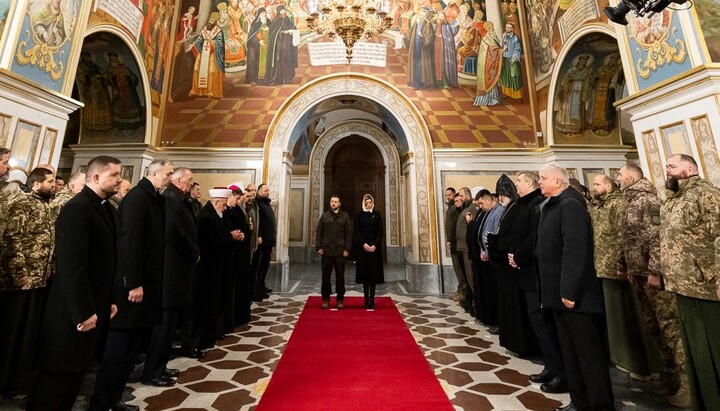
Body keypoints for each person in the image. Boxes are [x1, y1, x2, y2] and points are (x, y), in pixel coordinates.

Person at [27, 156, 122, 411]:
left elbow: (107, 261)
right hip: (71, 313)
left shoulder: (107, 208)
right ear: (96, 177)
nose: (120, 179)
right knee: (57, 382)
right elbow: (71, 267)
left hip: (95, 306)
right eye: (114, 174)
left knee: (75, 378)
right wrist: (82, 310)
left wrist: (109, 301)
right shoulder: (77, 208)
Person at [91, 159, 173, 411]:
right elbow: (129, 243)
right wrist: (132, 283)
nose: (170, 177)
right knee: (119, 348)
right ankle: (102, 402)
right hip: (132, 289)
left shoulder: (151, 197)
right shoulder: (138, 198)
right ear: (156, 173)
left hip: (144, 286)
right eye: (169, 173)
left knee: (129, 349)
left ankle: (113, 399)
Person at [535, 162, 614, 411]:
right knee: (571, 352)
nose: (540, 181)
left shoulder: (570, 205)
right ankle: (580, 402)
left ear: (557, 182)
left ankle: (599, 404)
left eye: (543, 178)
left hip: (574, 295)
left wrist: (568, 290)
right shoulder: (555, 205)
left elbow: (575, 251)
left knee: (587, 354)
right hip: (558, 293)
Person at [616, 163, 689, 407]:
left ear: (631, 177)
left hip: (653, 275)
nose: (617, 178)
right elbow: (627, 238)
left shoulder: (648, 201)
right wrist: (625, 265)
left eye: (620, 175)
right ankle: (669, 378)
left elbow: (657, 236)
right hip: (638, 274)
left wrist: (655, 270)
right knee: (654, 327)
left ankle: (686, 383)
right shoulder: (629, 201)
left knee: (669, 328)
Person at [660, 154, 720, 410]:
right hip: (681, 284)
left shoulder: (706, 194)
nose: (668, 170)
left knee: (713, 346)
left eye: (673, 166)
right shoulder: (673, 199)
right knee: (696, 349)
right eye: (667, 167)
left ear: (691, 168)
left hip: (704, 285)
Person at [504, 171, 566, 392]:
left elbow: (535, 237)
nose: (516, 185)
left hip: (536, 271)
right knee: (538, 320)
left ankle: (559, 370)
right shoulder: (527, 204)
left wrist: (518, 255)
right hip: (526, 270)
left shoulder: (538, 204)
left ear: (527, 183)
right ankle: (551, 365)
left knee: (543, 321)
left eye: (519, 181)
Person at [0, 167, 55, 397]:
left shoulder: (45, 205)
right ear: (35, 183)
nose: (53, 185)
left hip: (38, 279)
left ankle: (18, 380)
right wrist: (19, 273)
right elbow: (12, 239)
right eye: (50, 181)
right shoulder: (22, 204)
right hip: (20, 281)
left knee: (27, 334)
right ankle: (5, 381)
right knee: (11, 334)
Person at [142, 167, 198, 387]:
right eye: (189, 180)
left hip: (178, 268)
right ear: (179, 180)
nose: (191, 185)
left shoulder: (176, 197)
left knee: (170, 321)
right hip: (171, 269)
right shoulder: (171, 197)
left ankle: (160, 366)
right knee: (164, 323)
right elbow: (175, 230)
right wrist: (193, 252)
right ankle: (153, 371)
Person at [589, 174, 647, 380]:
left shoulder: (617, 204)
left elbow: (624, 235)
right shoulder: (599, 205)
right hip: (601, 266)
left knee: (624, 315)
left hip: (615, 267)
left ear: (608, 185)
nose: (594, 187)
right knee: (612, 316)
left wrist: (622, 264)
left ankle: (631, 361)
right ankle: (617, 356)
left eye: (597, 184)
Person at [316, 194, 353, 309]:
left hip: (340, 251)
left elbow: (349, 234)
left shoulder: (345, 216)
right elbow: (319, 233)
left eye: (336, 202)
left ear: (340, 203)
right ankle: (325, 299)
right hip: (326, 251)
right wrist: (319, 247)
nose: (333, 203)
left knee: (340, 276)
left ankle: (340, 299)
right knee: (325, 276)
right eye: (332, 201)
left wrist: (347, 249)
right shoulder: (324, 216)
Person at [354, 194, 384, 310]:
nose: (368, 204)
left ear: (373, 203)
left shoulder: (377, 215)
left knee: (373, 276)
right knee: (365, 276)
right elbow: (357, 232)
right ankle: (366, 300)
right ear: (363, 203)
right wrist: (364, 244)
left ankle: (372, 299)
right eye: (366, 202)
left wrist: (375, 245)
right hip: (363, 250)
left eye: (370, 202)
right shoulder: (359, 215)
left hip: (374, 250)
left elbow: (380, 232)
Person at [190, 12, 225, 98]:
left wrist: (211, 41)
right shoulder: (205, 29)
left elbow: (220, 45)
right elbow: (199, 40)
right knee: (196, 68)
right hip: (203, 52)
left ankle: (211, 91)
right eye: (210, 20)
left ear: (216, 22)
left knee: (211, 71)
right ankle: (196, 90)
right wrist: (196, 43)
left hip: (213, 53)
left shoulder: (218, 31)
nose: (211, 22)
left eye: (213, 21)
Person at [555, 54, 593, 135]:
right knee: (567, 109)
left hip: (580, 94)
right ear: (578, 62)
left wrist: (590, 77)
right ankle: (566, 128)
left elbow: (588, 83)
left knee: (578, 110)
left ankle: (576, 128)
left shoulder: (586, 72)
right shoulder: (572, 71)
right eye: (582, 61)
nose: (583, 63)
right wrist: (567, 89)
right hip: (570, 93)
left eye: (585, 62)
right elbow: (564, 82)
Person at [105, 52, 143, 131]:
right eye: (111, 61)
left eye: (114, 60)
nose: (113, 62)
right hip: (118, 91)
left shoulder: (123, 68)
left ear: (118, 60)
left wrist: (130, 83)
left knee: (131, 106)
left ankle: (134, 124)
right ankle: (121, 125)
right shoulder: (109, 70)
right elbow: (107, 80)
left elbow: (133, 77)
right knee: (119, 107)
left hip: (128, 91)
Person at [251, 183, 276, 301]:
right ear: (259, 191)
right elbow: (257, 221)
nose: (268, 192)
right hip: (261, 241)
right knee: (258, 265)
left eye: (268, 190)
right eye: (265, 190)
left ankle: (262, 285)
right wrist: (259, 235)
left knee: (264, 265)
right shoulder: (257, 204)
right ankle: (256, 289)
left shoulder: (267, 203)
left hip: (269, 240)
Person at [264, 5, 297, 86]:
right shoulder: (276, 20)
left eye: (284, 10)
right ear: (279, 11)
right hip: (279, 44)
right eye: (281, 11)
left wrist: (294, 30)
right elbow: (274, 32)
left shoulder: (287, 18)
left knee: (287, 60)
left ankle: (288, 79)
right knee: (279, 60)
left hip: (288, 44)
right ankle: (277, 79)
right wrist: (285, 32)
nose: (283, 12)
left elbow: (291, 26)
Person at [444, 188, 466, 302]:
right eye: (446, 195)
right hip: (452, 241)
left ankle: (463, 291)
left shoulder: (457, 208)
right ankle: (460, 289)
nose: (448, 197)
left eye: (450, 195)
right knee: (457, 267)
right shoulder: (450, 207)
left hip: (457, 242)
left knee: (460, 268)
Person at [408, 7, 436, 89]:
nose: (421, 17)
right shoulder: (417, 22)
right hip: (415, 46)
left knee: (422, 65)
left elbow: (431, 36)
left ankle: (423, 82)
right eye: (420, 15)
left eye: (423, 15)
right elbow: (411, 33)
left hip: (423, 48)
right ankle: (416, 82)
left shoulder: (428, 24)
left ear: (426, 16)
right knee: (415, 64)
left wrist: (422, 35)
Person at [245, 8, 268, 84]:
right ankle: (252, 79)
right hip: (254, 47)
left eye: (265, 14)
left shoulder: (268, 22)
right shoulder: (255, 24)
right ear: (259, 15)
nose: (264, 15)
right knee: (253, 60)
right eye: (262, 14)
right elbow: (251, 37)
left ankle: (264, 78)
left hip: (265, 46)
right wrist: (259, 41)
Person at [500, 22, 522, 100]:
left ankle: (517, 95)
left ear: (512, 29)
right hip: (505, 59)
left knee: (514, 76)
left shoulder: (515, 38)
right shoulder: (503, 36)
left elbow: (517, 49)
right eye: (506, 27)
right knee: (505, 76)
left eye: (509, 28)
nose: (507, 29)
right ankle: (507, 93)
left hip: (512, 59)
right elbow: (501, 46)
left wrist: (514, 58)